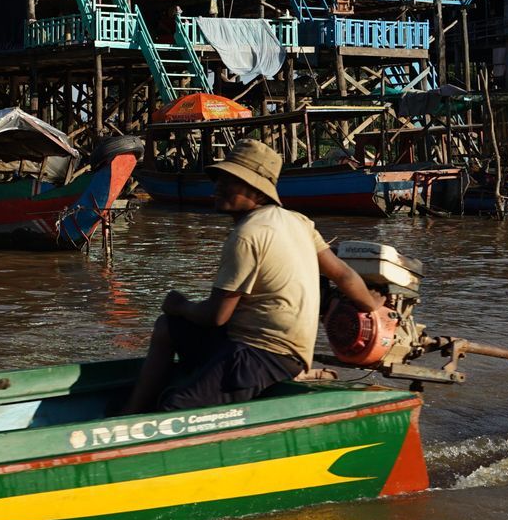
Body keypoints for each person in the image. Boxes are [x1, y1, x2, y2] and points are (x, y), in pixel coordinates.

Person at [119, 139, 382, 414]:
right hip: (277, 349)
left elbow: (216, 316)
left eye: (230, 182)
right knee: (167, 328)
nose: (217, 188)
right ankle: (133, 410)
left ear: (257, 191)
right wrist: (371, 305)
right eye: (219, 180)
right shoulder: (297, 221)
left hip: (264, 354)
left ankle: (150, 415)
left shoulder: (246, 236)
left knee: (176, 408)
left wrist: (180, 305)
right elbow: (343, 274)